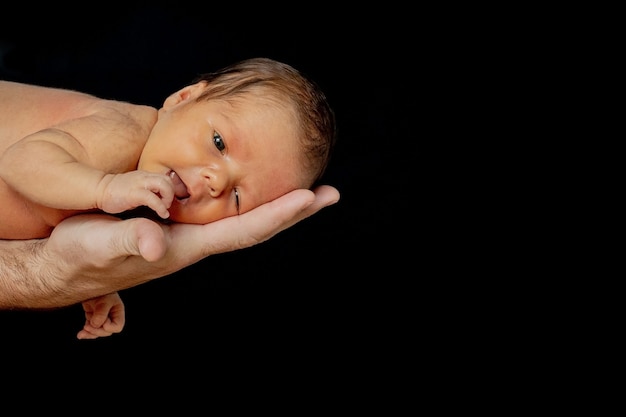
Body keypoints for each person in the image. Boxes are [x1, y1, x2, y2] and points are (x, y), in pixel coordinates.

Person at [0, 57, 338, 339]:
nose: (216, 180)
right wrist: (105, 188)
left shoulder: (135, 194)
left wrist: (92, 285)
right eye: (219, 143)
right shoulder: (123, 134)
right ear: (183, 98)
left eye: (237, 196)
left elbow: (64, 217)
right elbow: (20, 162)